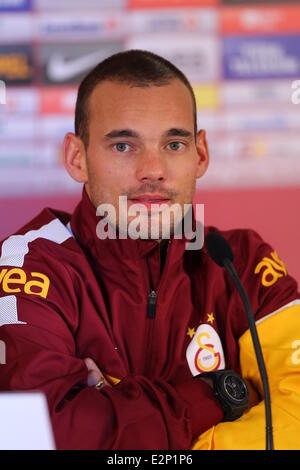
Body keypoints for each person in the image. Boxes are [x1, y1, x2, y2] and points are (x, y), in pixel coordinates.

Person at [0, 50, 299, 450]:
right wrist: (219, 395)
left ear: (201, 154)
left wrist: (122, 420)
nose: (153, 170)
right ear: (77, 158)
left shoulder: (241, 262)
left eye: (174, 144)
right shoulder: (29, 265)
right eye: (124, 146)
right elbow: (38, 437)